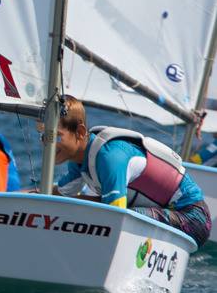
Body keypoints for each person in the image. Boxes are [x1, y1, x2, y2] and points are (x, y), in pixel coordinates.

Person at [52, 95, 211, 246]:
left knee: (124, 214)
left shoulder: (110, 157)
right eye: (43, 135)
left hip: (194, 218)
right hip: (160, 212)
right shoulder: (77, 160)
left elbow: (115, 213)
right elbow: (60, 194)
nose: (47, 143)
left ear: (79, 132)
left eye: (57, 135)